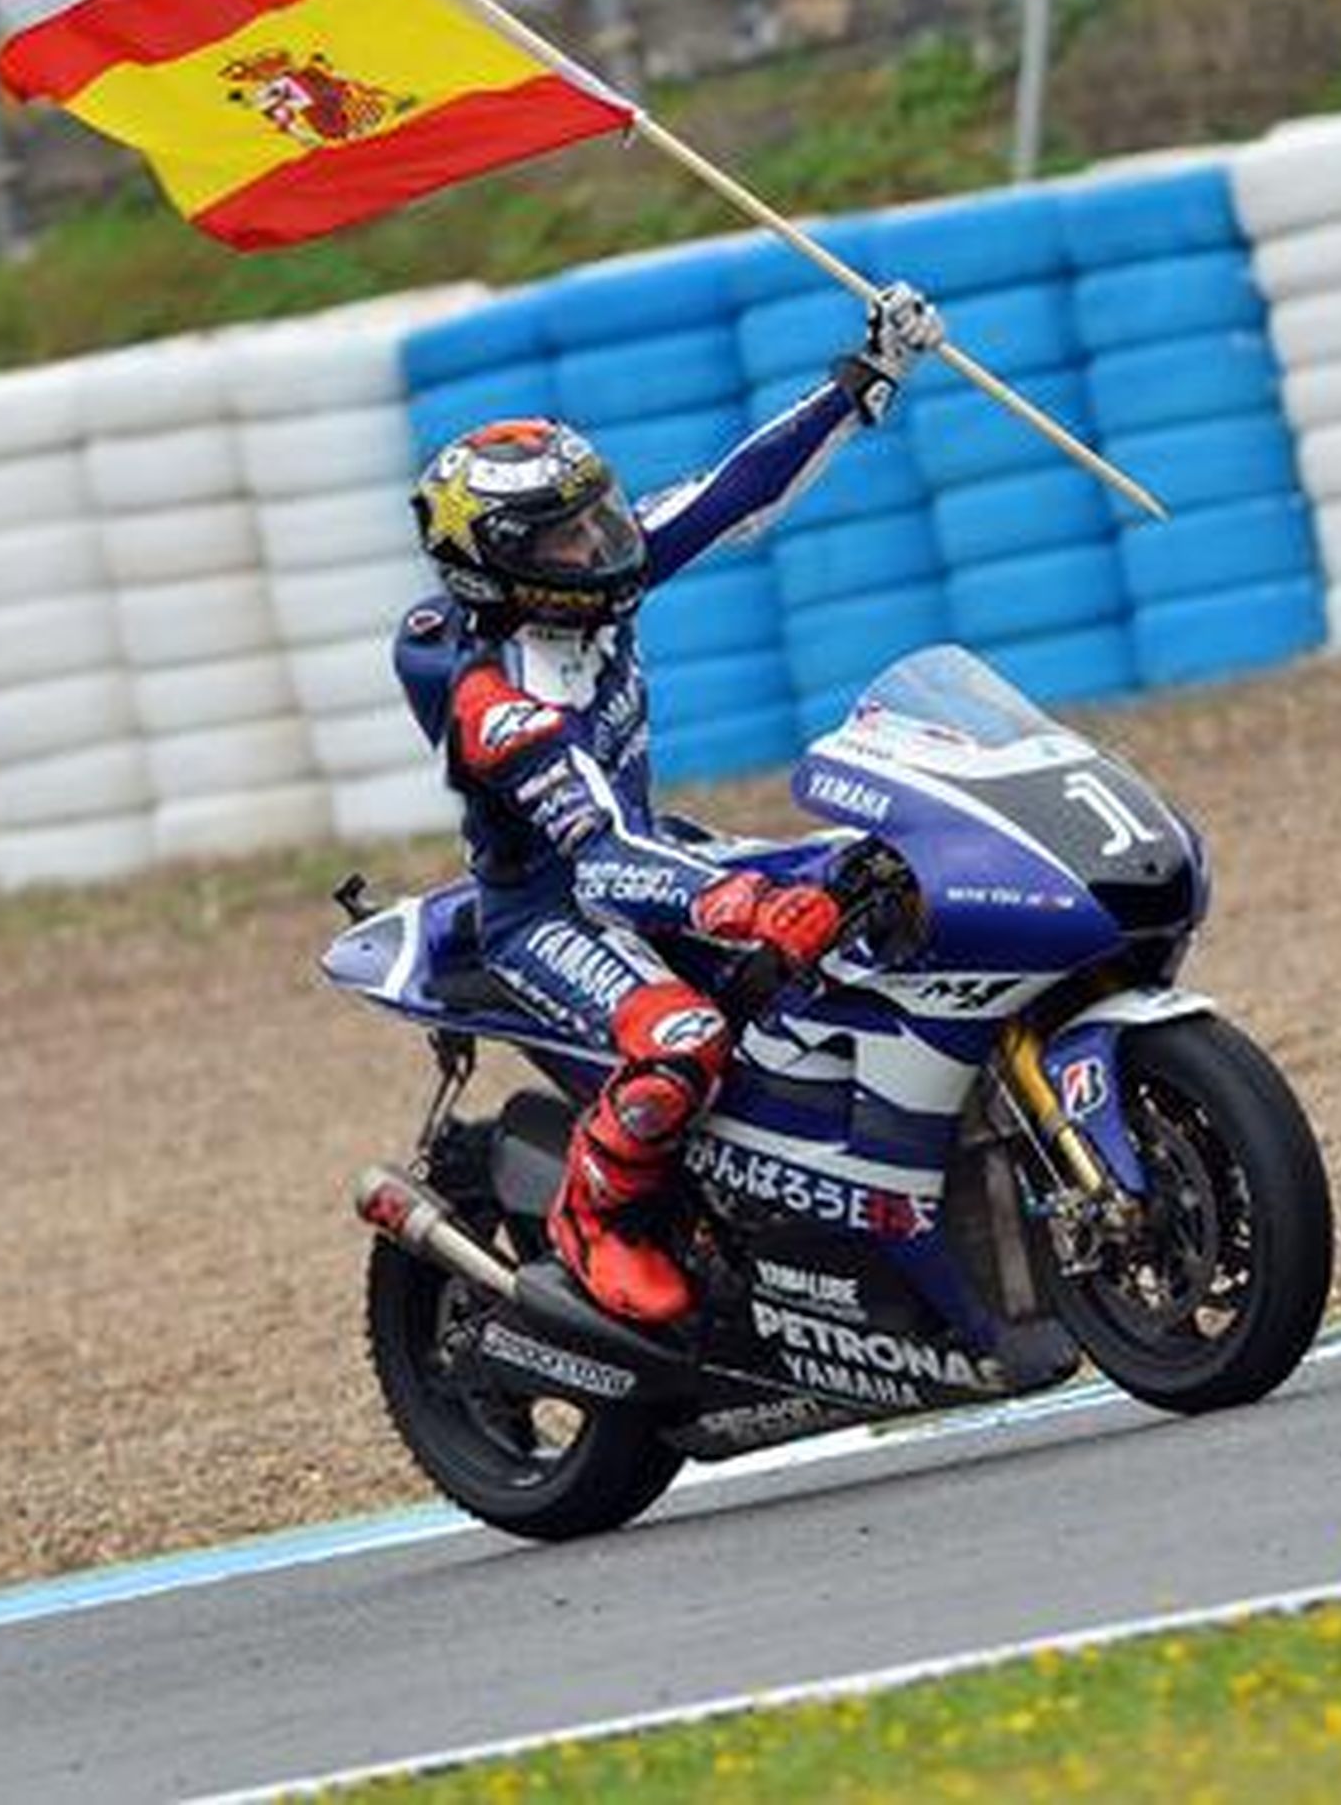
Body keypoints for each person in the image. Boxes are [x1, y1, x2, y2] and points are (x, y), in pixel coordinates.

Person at [396, 281, 945, 1326]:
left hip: (652, 858)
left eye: (599, 512)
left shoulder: (595, 580)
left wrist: (867, 373)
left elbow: (736, 493)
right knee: (686, 1032)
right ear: (501, 567)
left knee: (862, 880)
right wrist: (737, 904)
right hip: (549, 910)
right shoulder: (500, 701)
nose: (603, 543)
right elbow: (596, 856)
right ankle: (595, 1215)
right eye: (569, 538)